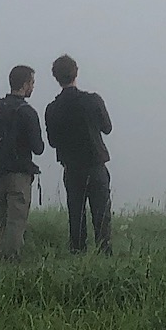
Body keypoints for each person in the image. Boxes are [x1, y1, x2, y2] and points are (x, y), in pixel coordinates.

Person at [43, 54, 113, 256]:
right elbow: (107, 128)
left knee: (76, 214)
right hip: (95, 165)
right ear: (76, 72)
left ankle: (77, 253)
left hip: (72, 168)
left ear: (56, 77)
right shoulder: (93, 100)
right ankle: (104, 253)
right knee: (101, 215)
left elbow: (53, 142)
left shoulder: (52, 108)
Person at [0, 65, 44, 262]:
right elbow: (38, 148)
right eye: (32, 82)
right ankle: (10, 260)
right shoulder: (27, 112)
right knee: (16, 218)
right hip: (18, 174)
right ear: (25, 84)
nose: (33, 87)